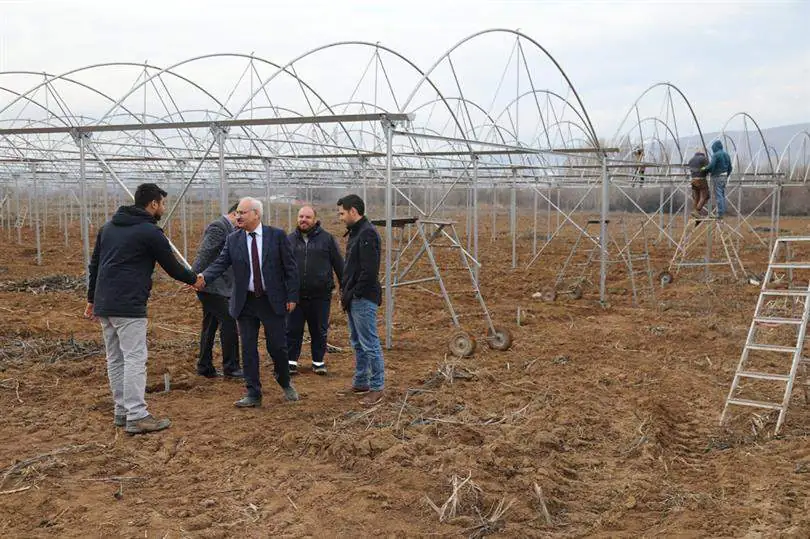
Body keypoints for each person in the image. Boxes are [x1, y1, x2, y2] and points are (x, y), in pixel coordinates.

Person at [85, 183, 202, 435]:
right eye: (162, 204)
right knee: (135, 359)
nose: (163, 208)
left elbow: (94, 265)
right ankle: (137, 415)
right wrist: (195, 279)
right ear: (153, 205)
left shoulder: (108, 228)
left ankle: (122, 411)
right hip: (128, 304)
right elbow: (171, 267)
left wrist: (91, 299)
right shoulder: (150, 232)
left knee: (115, 359)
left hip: (105, 303)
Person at [197, 197, 300, 408]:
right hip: (246, 301)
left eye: (243, 212)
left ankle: (284, 380)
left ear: (256, 214)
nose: (238, 216)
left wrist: (291, 296)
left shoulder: (277, 236)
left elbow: (290, 268)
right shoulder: (233, 239)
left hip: (272, 301)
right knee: (248, 347)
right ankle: (253, 392)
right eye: (236, 213)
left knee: (278, 347)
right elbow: (220, 263)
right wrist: (203, 277)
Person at [337, 194, 384, 406]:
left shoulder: (367, 234)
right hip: (354, 297)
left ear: (353, 211)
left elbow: (369, 271)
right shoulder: (358, 232)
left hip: (363, 298)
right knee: (358, 342)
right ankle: (361, 382)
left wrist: (354, 293)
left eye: (342, 213)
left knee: (369, 343)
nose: (340, 217)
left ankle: (377, 387)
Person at [286, 206, 344, 376]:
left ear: (315, 219)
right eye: (301, 216)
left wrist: (344, 287)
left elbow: (339, 264)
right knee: (292, 329)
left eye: (308, 217)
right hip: (295, 296)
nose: (304, 220)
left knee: (319, 329)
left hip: (320, 295)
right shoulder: (289, 240)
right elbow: (281, 268)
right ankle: (291, 362)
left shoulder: (327, 239)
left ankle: (318, 362)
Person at [191, 203, 243, 379]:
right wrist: (193, 278)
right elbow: (204, 253)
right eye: (241, 214)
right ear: (235, 213)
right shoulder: (218, 227)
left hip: (219, 286)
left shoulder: (233, 230)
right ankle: (232, 367)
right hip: (210, 286)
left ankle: (204, 366)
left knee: (210, 324)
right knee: (228, 321)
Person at [702, 140, 733, 219]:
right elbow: (730, 168)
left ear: (715, 147)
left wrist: (704, 168)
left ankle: (719, 214)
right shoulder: (727, 155)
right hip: (724, 177)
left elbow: (711, 166)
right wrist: (727, 175)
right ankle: (722, 212)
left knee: (718, 195)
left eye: (713, 148)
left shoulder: (716, 155)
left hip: (717, 177)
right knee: (722, 195)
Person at [687, 150, 710, 218]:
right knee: (705, 196)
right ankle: (696, 211)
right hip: (701, 179)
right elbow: (708, 168)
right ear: (703, 154)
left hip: (693, 180)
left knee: (696, 197)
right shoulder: (704, 159)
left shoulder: (691, 160)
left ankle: (695, 212)